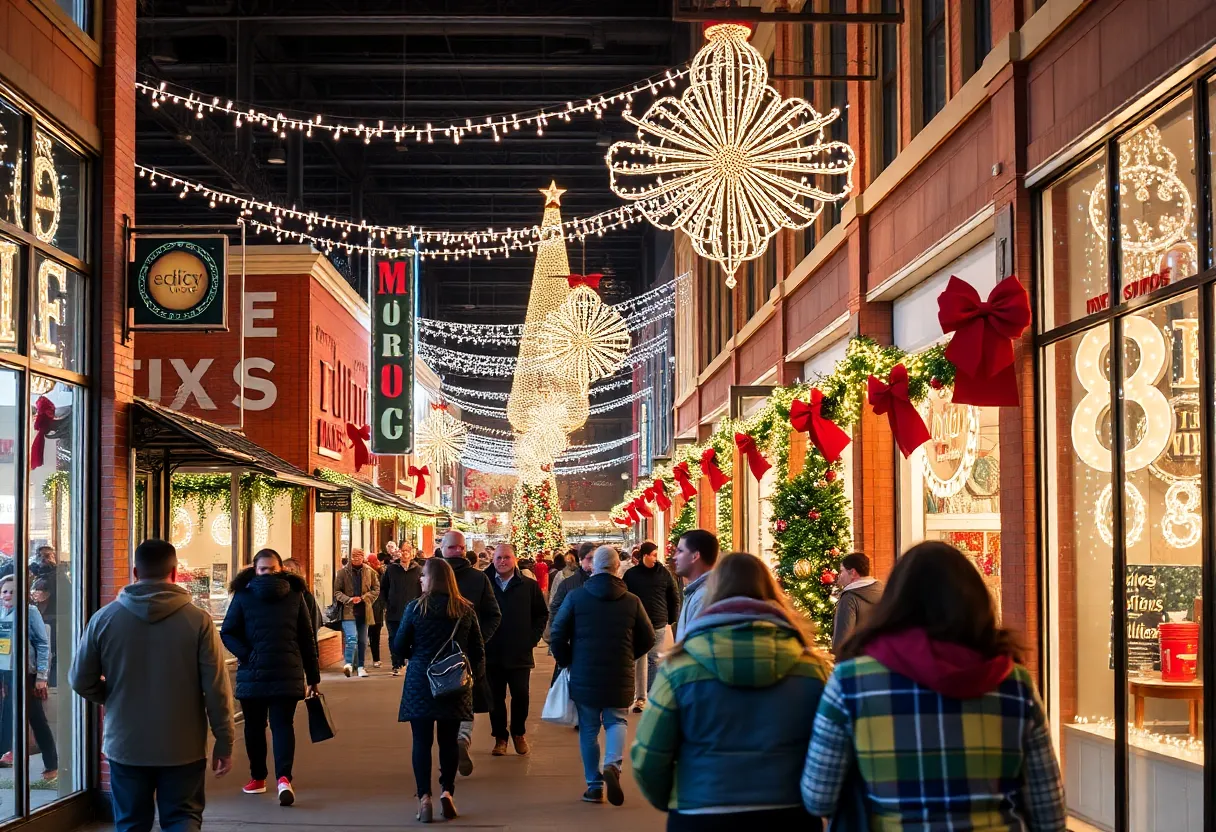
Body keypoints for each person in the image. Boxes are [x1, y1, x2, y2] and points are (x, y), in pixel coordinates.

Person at [801, 541, 1066, 829]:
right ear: (977, 602)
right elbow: (1048, 809)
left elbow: (818, 797)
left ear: (894, 603)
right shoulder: (1014, 683)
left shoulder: (851, 682)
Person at [632, 552, 829, 828]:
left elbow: (649, 753)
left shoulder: (681, 668)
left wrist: (677, 798)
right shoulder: (810, 668)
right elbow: (830, 745)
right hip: (788, 809)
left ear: (714, 592)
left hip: (701, 809)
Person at [69, 539, 234, 832]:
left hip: (126, 743)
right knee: (183, 817)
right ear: (174, 573)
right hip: (183, 746)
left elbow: (80, 680)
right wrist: (224, 740)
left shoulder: (104, 619)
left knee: (131, 822)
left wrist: (111, 696)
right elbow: (217, 688)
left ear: (135, 572)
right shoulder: (199, 621)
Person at [550, 546, 655, 806]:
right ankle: (612, 765)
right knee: (617, 720)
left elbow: (557, 633)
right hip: (619, 671)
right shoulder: (632, 601)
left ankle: (595, 787)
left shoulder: (576, 597)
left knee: (588, 728)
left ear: (593, 567)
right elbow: (649, 637)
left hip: (584, 671)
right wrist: (629, 655)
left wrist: (567, 660)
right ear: (618, 567)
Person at [220, 549, 320, 806]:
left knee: (254, 727)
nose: (267, 573)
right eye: (264, 569)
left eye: (270, 569)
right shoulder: (295, 594)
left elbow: (228, 631)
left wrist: (246, 654)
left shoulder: (243, 595)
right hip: (287, 672)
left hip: (252, 674)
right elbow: (307, 637)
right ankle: (284, 779)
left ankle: (258, 778)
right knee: (282, 726)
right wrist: (313, 676)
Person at [392, 557, 486, 823]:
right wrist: (473, 678)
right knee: (449, 741)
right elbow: (478, 650)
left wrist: (417, 652)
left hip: (421, 681)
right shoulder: (465, 609)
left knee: (421, 742)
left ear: (431, 579)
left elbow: (399, 646)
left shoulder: (415, 608)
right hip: (453, 683)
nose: (420, 579)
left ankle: (424, 797)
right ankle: (447, 792)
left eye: (423, 575)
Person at [441, 530, 501, 776]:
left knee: (443, 702)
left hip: (439, 654)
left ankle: (451, 748)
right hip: (466, 653)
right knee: (466, 698)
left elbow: (414, 612)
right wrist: (479, 641)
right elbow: (494, 614)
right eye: (455, 547)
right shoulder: (478, 578)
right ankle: (462, 738)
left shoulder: (433, 575)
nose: (456, 551)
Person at [483, 544, 547, 756]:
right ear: (493, 560)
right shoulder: (485, 584)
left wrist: (531, 639)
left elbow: (541, 614)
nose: (502, 561)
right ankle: (500, 737)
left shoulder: (529, 586)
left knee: (521, 694)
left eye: (507, 557)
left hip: (520, 652)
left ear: (515, 560)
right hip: (492, 652)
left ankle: (518, 732)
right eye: (499, 558)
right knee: (495, 697)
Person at [0, 575, 56, 782]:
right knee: (6, 716)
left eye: (13, 591)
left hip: (26, 673)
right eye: (5, 591)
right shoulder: (1, 611)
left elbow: (42, 644)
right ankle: (7, 753)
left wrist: (41, 676)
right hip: (5, 672)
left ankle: (52, 764)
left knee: (35, 718)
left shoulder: (29, 612)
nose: (8, 595)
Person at [623, 541, 681, 713]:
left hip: (658, 622)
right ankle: (641, 698)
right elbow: (625, 597)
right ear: (645, 556)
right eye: (654, 555)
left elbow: (674, 596)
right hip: (638, 623)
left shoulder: (664, 573)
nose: (656, 558)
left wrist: (672, 618)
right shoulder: (631, 575)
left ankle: (651, 695)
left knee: (653, 659)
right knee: (640, 659)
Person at [333, 549, 381, 678]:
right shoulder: (342, 572)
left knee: (362, 640)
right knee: (351, 638)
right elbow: (337, 591)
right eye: (354, 556)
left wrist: (365, 597)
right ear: (350, 557)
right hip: (348, 611)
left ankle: (361, 666)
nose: (356, 558)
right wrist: (349, 599)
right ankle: (348, 664)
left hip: (364, 610)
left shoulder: (370, 571)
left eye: (359, 556)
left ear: (363, 557)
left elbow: (376, 589)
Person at [381, 546, 423, 676]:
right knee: (394, 637)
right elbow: (384, 588)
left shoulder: (418, 570)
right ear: (399, 553)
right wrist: (386, 604)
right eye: (403, 551)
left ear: (412, 554)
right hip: (394, 611)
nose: (405, 554)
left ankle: (409, 662)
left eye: (407, 551)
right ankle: (397, 664)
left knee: (412, 638)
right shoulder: (391, 569)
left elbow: (422, 589)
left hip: (413, 611)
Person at [831, 552, 883, 654]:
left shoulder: (849, 599)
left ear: (853, 573)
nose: (840, 576)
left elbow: (842, 640)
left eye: (842, 571)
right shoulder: (885, 591)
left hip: (858, 660)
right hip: (883, 657)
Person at [672, 530, 719, 640]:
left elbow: (697, 645)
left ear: (695, 556)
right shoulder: (697, 592)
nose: (674, 557)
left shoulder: (704, 596)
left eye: (680, 551)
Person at [281, 558, 321, 634]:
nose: (287, 571)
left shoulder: (306, 597)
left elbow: (312, 627)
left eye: (291, 569)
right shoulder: (278, 595)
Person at [367, 554, 388, 668]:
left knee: (374, 635)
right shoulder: (367, 573)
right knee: (373, 635)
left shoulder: (381, 574)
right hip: (371, 607)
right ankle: (374, 659)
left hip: (376, 608)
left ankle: (376, 658)